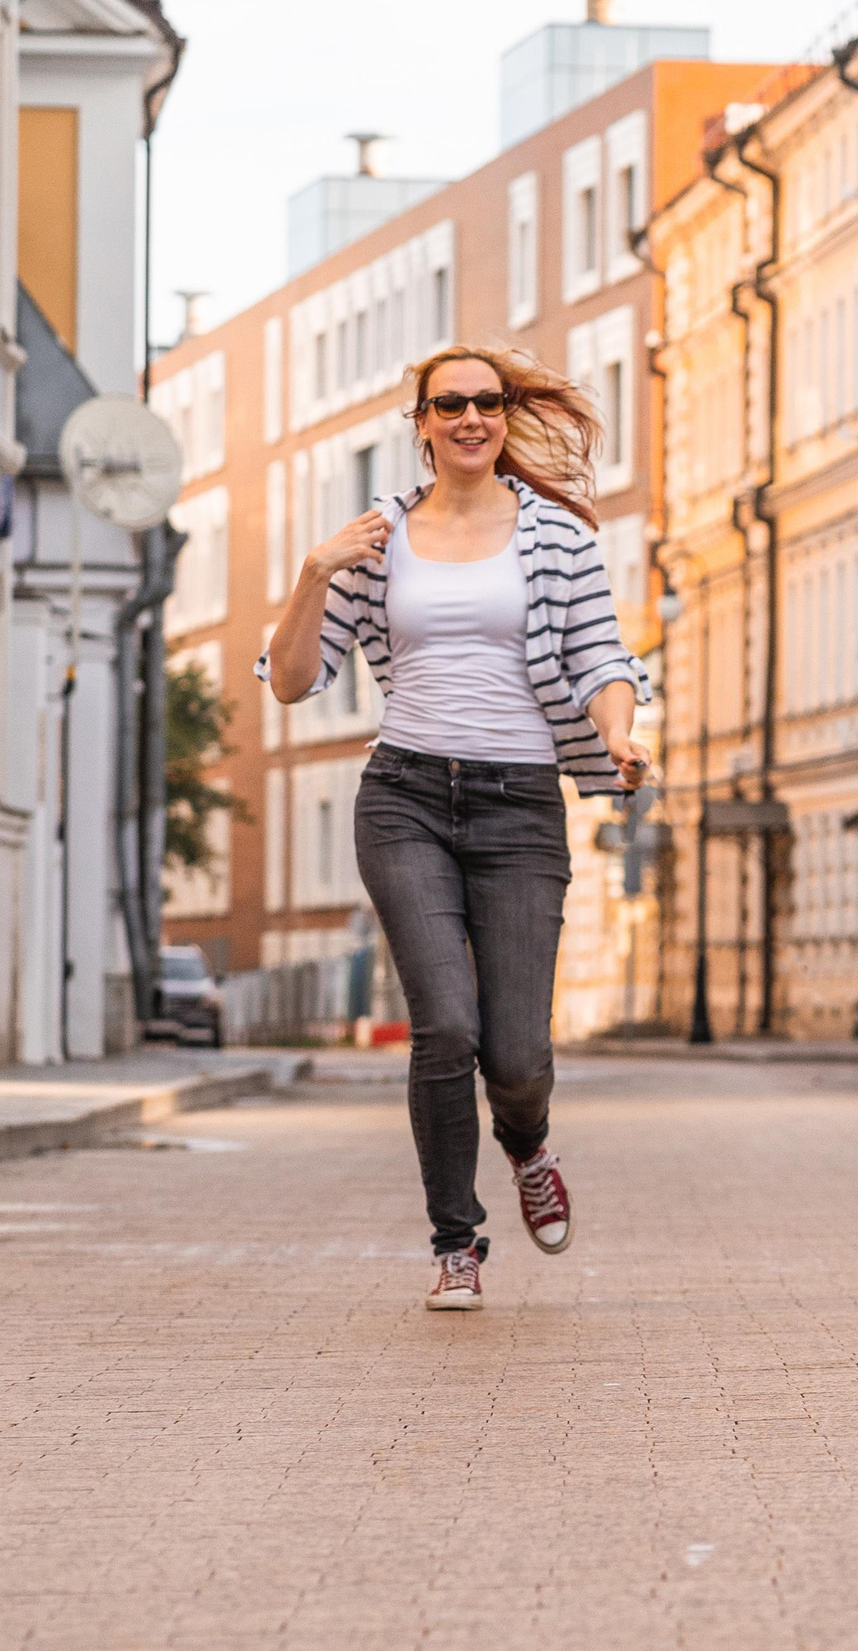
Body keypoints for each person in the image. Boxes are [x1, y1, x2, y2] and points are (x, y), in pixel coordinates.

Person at [260, 345, 651, 1312]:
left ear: (507, 414)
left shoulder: (557, 535)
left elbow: (603, 655)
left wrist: (618, 735)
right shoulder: (377, 539)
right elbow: (297, 678)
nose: (471, 417)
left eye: (489, 401)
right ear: (423, 422)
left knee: (516, 1054)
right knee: (443, 1024)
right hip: (405, 797)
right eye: (451, 404)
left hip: (521, 804)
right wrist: (314, 573)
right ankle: (455, 1242)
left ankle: (528, 1145)